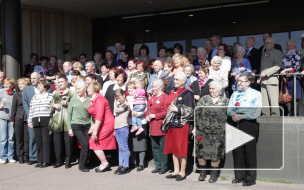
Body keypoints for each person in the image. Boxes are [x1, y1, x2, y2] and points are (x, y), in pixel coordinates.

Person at [227, 72, 262, 187]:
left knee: (249, 151)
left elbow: (256, 111)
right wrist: (235, 115)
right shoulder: (235, 94)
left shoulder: (256, 94)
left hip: (248, 123)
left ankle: (250, 177)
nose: (239, 83)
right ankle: (240, 176)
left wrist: (242, 115)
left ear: (248, 82)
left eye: (241, 81)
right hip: (235, 121)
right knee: (238, 151)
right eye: (238, 81)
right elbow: (229, 109)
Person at [163, 72, 195, 181]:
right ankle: (176, 170)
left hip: (182, 124)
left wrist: (177, 109)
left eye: (177, 79)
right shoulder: (172, 91)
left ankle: (182, 172)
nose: (174, 81)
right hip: (171, 123)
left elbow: (191, 111)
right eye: (174, 79)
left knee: (181, 148)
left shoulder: (188, 93)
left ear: (183, 82)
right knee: (173, 148)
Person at [195, 80, 229, 183]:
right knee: (201, 152)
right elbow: (197, 113)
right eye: (210, 88)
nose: (211, 90)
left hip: (218, 132)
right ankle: (202, 173)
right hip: (203, 131)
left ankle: (214, 175)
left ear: (219, 90)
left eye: (213, 88)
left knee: (215, 153)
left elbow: (229, 116)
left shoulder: (225, 101)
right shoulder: (204, 99)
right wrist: (195, 127)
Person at [87, 82, 117, 172]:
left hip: (107, 123)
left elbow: (100, 116)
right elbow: (96, 116)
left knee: (93, 141)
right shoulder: (93, 99)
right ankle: (103, 162)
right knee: (94, 142)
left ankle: (104, 163)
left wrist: (95, 130)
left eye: (89, 88)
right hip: (101, 122)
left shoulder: (99, 99)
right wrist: (93, 127)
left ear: (94, 89)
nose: (87, 89)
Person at [49, 75, 75, 169]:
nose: (60, 84)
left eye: (62, 82)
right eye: (58, 82)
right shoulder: (55, 93)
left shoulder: (72, 92)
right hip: (57, 120)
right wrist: (54, 106)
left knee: (68, 142)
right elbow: (51, 104)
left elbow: (76, 104)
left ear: (66, 81)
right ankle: (58, 160)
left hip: (67, 119)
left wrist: (68, 103)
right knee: (57, 142)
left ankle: (68, 161)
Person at [28, 80, 53, 168]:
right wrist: (30, 121)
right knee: (38, 141)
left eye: (40, 85)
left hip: (46, 119)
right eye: (38, 85)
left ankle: (46, 161)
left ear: (45, 86)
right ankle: (40, 159)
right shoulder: (35, 97)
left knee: (46, 141)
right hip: (35, 119)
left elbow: (52, 109)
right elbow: (31, 109)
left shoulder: (50, 96)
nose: (38, 86)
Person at [67, 79, 91, 172]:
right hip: (76, 125)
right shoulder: (73, 99)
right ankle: (82, 165)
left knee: (89, 144)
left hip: (87, 125)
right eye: (76, 89)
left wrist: (92, 126)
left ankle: (87, 161)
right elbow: (69, 114)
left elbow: (92, 115)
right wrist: (69, 128)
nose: (77, 90)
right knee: (85, 144)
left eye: (79, 88)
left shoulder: (89, 100)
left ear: (84, 89)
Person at [146, 79, 169, 174]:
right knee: (154, 147)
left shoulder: (165, 97)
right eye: (153, 87)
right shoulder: (152, 98)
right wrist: (147, 115)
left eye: (155, 87)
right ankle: (157, 165)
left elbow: (167, 111)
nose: (153, 89)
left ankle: (164, 166)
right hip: (153, 126)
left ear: (160, 87)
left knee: (162, 147)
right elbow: (148, 108)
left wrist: (156, 116)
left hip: (161, 125)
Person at [257, 37, 283, 116]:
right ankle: (265, 115)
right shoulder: (264, 53)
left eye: (268, 43)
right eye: (265, 43)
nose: (266, 44)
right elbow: (262, 67)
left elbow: (277, 66)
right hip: (263, 80)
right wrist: (259, 78)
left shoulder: (277, 52)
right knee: (264, 101)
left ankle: (275, 115)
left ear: (272, 44)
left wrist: (266, 73)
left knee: (273, 100)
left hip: (272, 80)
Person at [126, 81, 148, 172]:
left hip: (141, 122)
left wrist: (138, 113)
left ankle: (141, 163)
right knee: (132, 144)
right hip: (130, 123)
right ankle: (133, 162)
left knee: (141, 143)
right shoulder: (126, 98)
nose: (131, 90)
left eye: (133, 88)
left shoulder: (141, 97)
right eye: (129, 88)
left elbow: (145, 108)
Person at [9, 78, 30, 164]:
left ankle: (26, 155)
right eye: (19, 84)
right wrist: (12, 119)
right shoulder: (16, 95)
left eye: (22, 84)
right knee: (19, 138)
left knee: (26, 137)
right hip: (18, 117)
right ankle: (20, 156)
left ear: (26, 85)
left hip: (27, 117)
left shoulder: (29, 94)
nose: (20, 86)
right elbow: (13, 107)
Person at [22, 72, 40, 165]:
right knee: (32, 136)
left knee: (41, 137)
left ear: (39, 79)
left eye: (34, 78)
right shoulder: (26, 89)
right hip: (31, 116)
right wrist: (30, 114)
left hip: (42, 116)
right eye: (31, 78)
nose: (32, 80)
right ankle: (32, 157)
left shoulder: (43, 87)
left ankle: (41, 156)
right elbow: (25, 103)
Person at [281, 39, 302, 116]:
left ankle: (295, 113)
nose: (288, 47)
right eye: (287, 45)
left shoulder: (297, 54)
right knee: (287, 97)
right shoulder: (284, 54)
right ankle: (289, 112)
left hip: (294, 78)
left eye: (290, 45)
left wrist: (286, 70)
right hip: (286, 78)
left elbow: (296, 67)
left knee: (295, 96)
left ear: (294, 46)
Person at [113, 89, 130, 175]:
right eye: (117, 98)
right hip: (117, 128)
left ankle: (126, 165)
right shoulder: (120, 105)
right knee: (120, 148)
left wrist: (114, 101)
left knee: (124, 147)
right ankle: (120, 165)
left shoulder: (126, 105)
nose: (118, 100)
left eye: (119, 98)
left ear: (124, 95)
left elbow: (115, 111)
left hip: (123, 127)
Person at [0, 78, 16, 164]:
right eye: (5, 84)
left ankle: (11, 156)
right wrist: (0, 106)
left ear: (12, 85)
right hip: (2, 117)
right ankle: (3, 157)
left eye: (8, 84)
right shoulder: (1, 93)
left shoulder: (15, 94)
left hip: (11, 119)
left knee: (11, 138)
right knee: (3, 138)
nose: (6, 86)